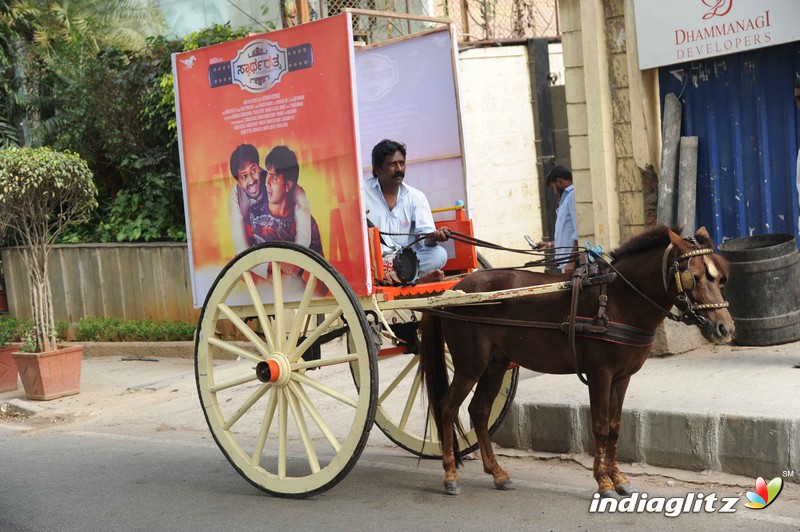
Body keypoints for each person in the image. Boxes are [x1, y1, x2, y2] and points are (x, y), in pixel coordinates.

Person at [364, 139, 451, 286]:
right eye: (392, 164)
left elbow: (426, 240)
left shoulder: (416, 197)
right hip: (372, 264)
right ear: (378, 169)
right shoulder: (360, 193)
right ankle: (412, 279)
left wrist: (435, 236)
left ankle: (400, 278)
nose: (399, 169)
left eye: (402, 163)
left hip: (403, 262)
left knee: (439, 254)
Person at [538, 165, 578, 273]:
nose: (554, 191)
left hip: (571, 264)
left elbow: (578, 232)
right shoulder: (566, 198)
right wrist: (549, 244)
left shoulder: (572, 195)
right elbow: (567, 235)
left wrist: (571, 262)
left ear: (559, 181)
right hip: (565, 262)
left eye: (553, 187)